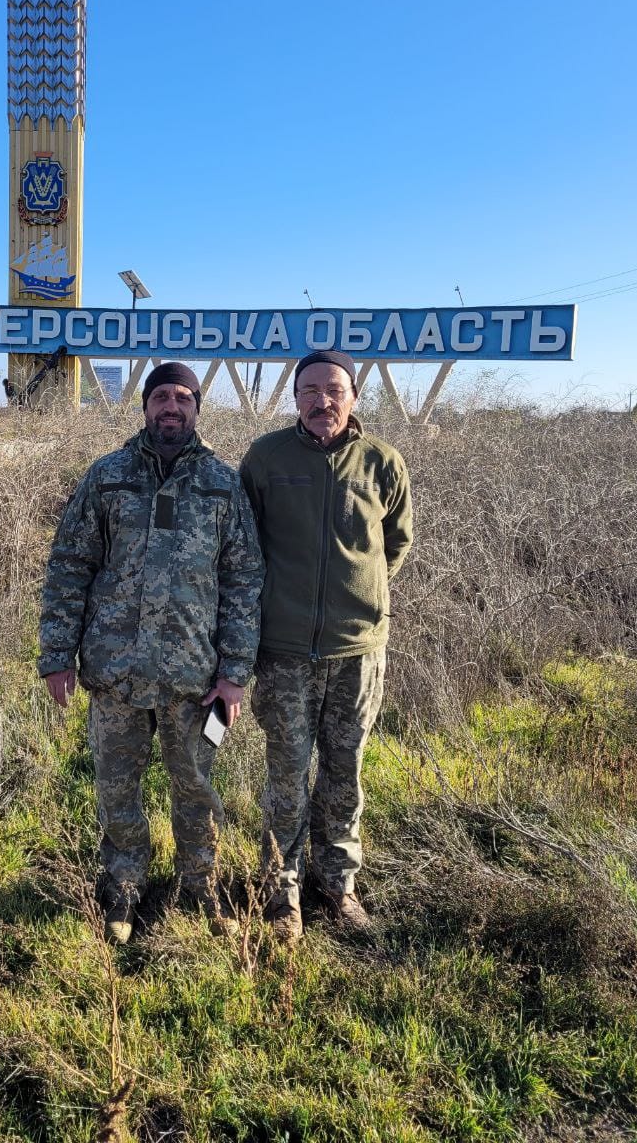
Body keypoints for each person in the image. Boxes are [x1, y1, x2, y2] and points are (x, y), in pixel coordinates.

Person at [39, 361, 264, 944]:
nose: (171, 406)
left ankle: (200, 885)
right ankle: (123, 888)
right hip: (115, 669)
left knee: (195, 785)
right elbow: (70, 566)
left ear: (196, 408)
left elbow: (244, 580)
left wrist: (235, 673)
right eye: (161, 396)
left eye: (183, 397)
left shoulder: (221, 483)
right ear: (144, 407)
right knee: (117, 785)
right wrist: (57, 654)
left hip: (196, 678)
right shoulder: (108, 477)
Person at [240, 349, 412, 940]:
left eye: (334, 390)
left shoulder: (382, 462)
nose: (322, 401)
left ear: (354, 398)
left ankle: (336, 886)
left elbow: (395, 544)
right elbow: (246, 545)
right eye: (310, 390)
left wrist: (359, 598)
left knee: (345, 773)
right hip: (284, 652)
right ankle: (281, 892)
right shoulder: (265, 459)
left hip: (357, 653)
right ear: (294, 398)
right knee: (286, 775)